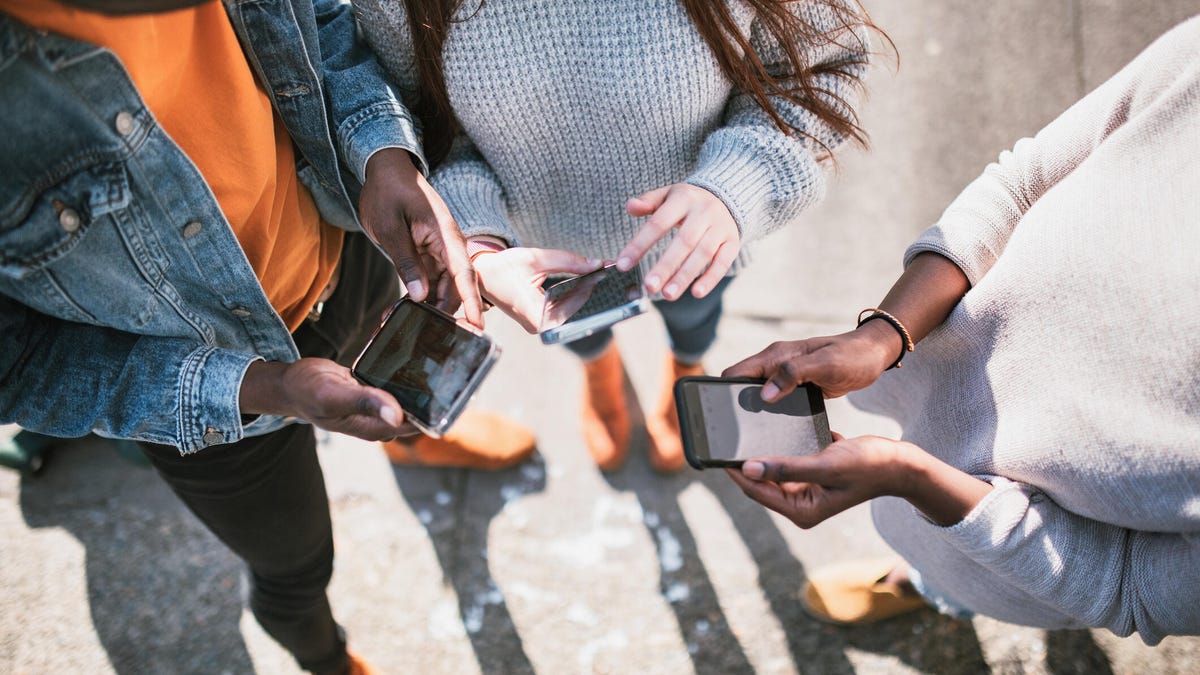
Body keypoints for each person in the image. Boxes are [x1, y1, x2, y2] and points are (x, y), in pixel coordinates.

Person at [0, 0, 489, 671]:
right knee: (297, 567)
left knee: (400, 377)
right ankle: (328, 660)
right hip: (216, 398)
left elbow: (322, 19)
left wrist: (382, 154)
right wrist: (265, 386)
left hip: (342, 245)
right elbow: (17, 363)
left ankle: (416, 435)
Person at [723, 16, 1200, 644]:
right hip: (932, 355)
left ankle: (934, 587)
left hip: (1021, 554)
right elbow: (1022, 182)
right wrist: (883, 337)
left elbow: (1128, 587)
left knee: (962, 567)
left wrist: (909, 475)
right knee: (935, 541)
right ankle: (929, 576)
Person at [354, 0, 879, 472]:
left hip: (698, 241)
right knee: (577, 329)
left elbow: (818, 72)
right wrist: (475, 237)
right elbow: (420, 129)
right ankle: (602, 374)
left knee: (695, 318)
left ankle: (684, 370)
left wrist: (734, 185)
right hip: (544, 251)